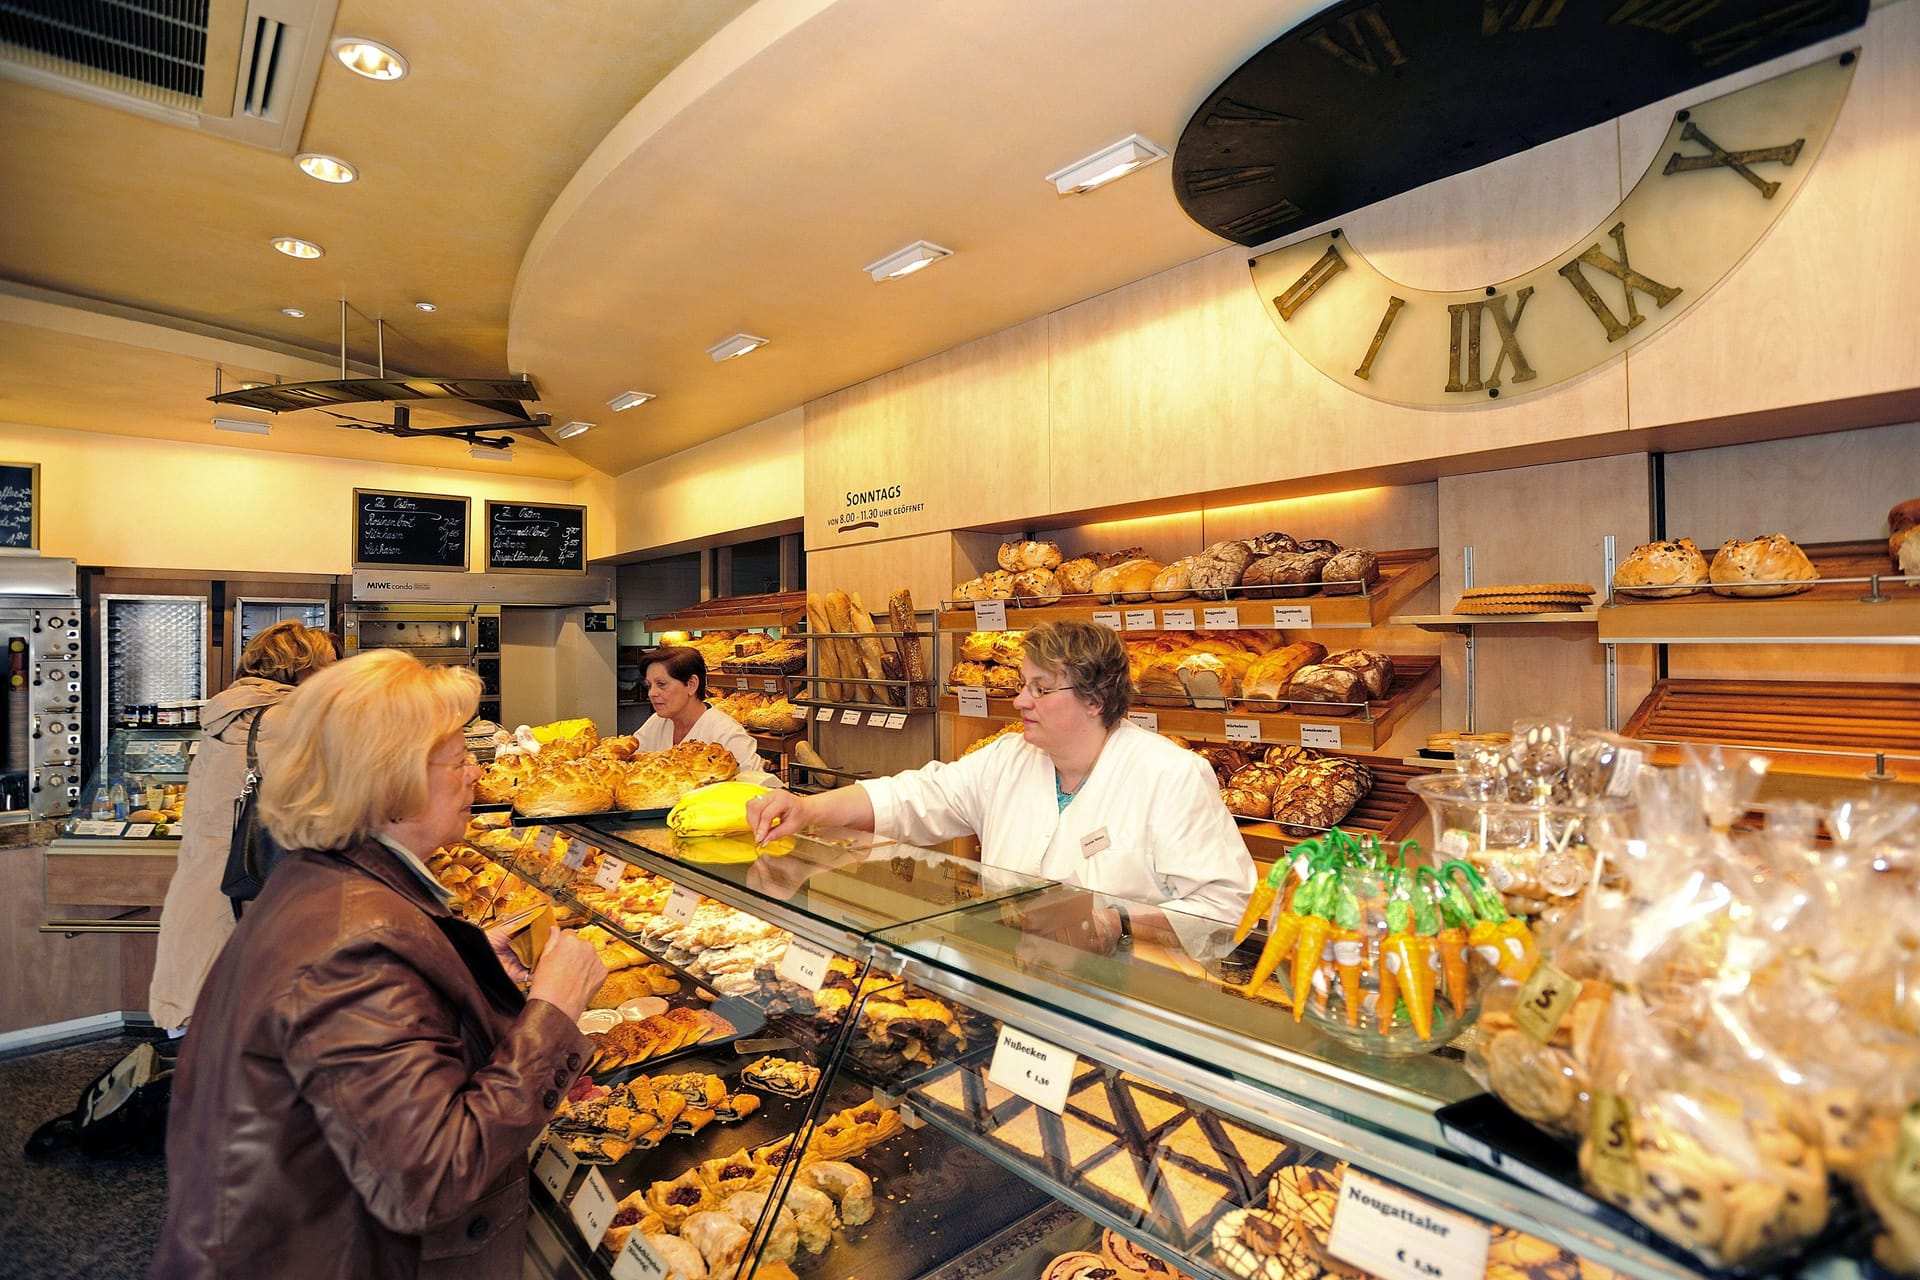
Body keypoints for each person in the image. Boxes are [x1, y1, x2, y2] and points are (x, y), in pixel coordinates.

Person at [149, 650, 607, 1280]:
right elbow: (429, 1179)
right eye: (458, 758)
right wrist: (552, 1016)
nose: (476, 773)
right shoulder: (352, 950)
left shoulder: (323, 881)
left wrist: (459, 958)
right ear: (391, 780)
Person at [747, 620, 1253, 949]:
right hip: (1021, 986)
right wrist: (808, 810)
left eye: (1040, 688)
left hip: (1137, 1004)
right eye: (1021, 685)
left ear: (1096, 700)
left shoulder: (1169, 775)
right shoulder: (1011, 757)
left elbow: (1225, 907)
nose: (1020, 701)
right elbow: (918, 797)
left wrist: (1117, 921)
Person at [148, 620, 336, 1033]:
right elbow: (326, 807)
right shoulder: (289, 720)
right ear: (300, 669)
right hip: (257, 887)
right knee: (248, 1026)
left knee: (206, 1018)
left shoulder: (228, 713)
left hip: (207, 880)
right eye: (328, 667)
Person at [632, 644, 767, 775]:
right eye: (649, 685)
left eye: (661, 684)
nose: (651, 693)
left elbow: (756, 786)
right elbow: (631, 762)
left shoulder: (727, 733)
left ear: (691, 685)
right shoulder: (657, 722)